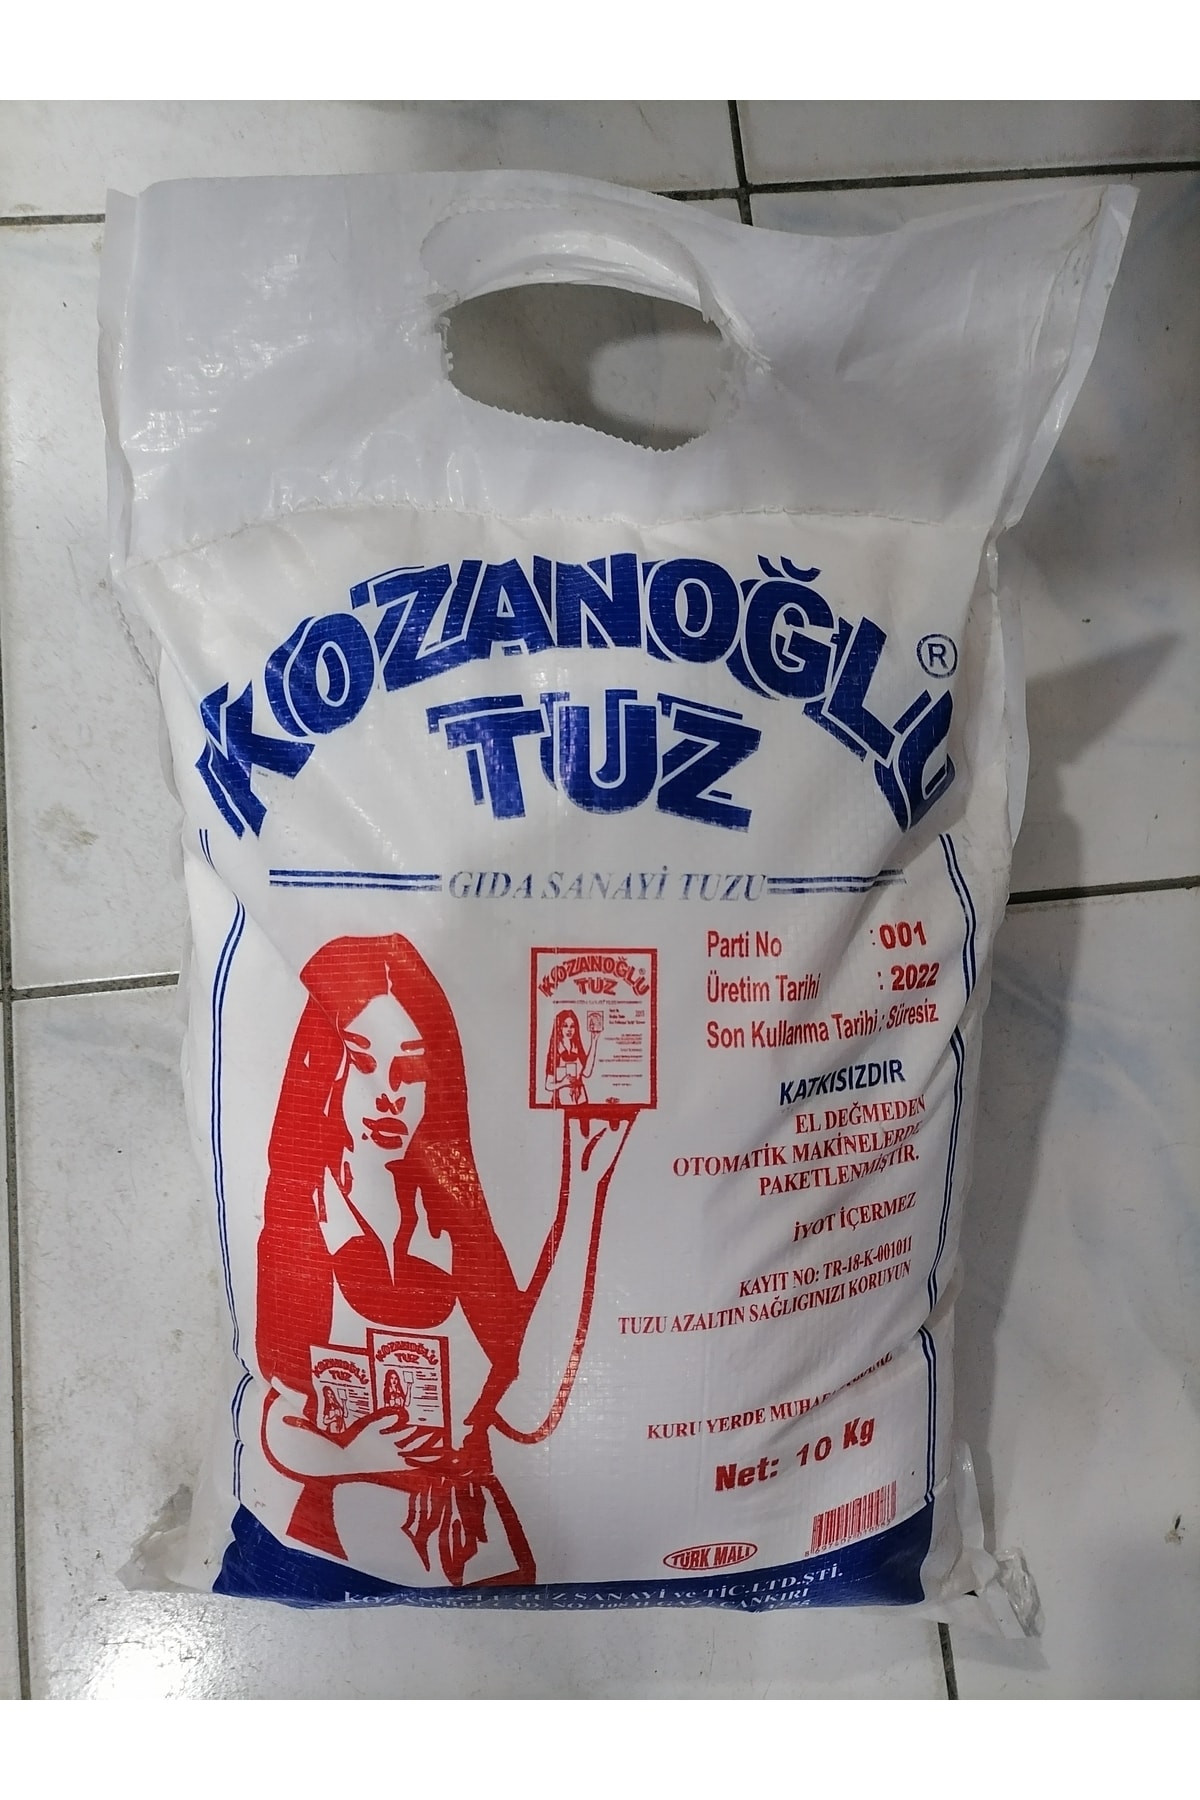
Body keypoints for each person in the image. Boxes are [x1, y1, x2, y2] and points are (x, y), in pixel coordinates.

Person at [255, 934, 632, 1589]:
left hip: (482, 1555)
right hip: (338, 1549)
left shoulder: (455, 1218)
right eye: (363, 1060)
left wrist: (585, 1185)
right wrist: (370, 1453)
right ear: (326, 1070)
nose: (389, 1094)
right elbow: (276, 1416)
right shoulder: (304, 1216)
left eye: (412, 1067)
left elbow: (529, 1407)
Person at [544, 1007, 600, 1108]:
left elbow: (587, 1072)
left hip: (581, 1100)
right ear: (559, 1028)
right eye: (565, 1026)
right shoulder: (555, 1051)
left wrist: (594, 1041)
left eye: (572, 1026)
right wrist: (563, 1083)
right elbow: (548, 1085)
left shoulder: (577, 1047)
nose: (569, 1029)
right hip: (563, 1102)